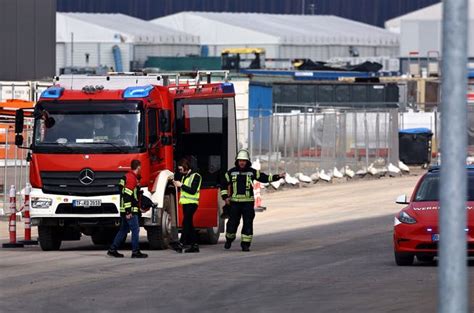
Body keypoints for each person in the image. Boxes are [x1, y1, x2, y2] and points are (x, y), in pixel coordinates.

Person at [220, 149, 285, 252]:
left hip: (248, 203)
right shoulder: (231, 172)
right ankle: (229, 239)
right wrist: (225, 197)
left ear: (247, 161)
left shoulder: (252, 172)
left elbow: (264, 178)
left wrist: (278, 177)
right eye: (240, 160)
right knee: (232, 224)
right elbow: (223, 185)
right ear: (237, 161)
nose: (242, 162)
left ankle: (245, 245)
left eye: (244, 161)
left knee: (248, 223)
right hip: (235, 203)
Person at [107, 159, 148, 258]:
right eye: (140, 168)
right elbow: (127, 196)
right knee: (135, 230)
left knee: (123, 230)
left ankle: (112, 249)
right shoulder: (131, 178)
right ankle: (135, 251)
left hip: (126, 209)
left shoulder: (127, 177)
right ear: (138, 167)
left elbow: (130, 195)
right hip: (129, 211)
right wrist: (128, 211)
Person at [173, 158, 202, 253]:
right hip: (186, 203)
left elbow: (193, 190)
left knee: (186, 223)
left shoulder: (196, 176)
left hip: (192, 203)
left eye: (181, 169)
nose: (180, 172)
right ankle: (195, 245)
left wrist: (181, 185)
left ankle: (181, 243)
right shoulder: (185, 176)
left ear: (186, 167)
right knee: (189, 224)